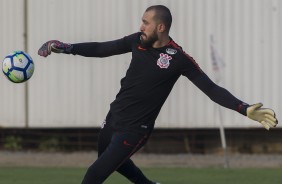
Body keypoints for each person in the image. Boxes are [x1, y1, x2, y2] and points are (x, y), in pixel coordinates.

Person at [38, 5, 278, 184]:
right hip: (113, 118)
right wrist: (69, 48)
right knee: (110, 160)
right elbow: (102, 48)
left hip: (135, 130)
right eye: (141, 21)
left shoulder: (178, 58)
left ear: (160, 27)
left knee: (93, 175)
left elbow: (211, 89)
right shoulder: (136, 42)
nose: (141, 27)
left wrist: (244, 108)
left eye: (146, 22)